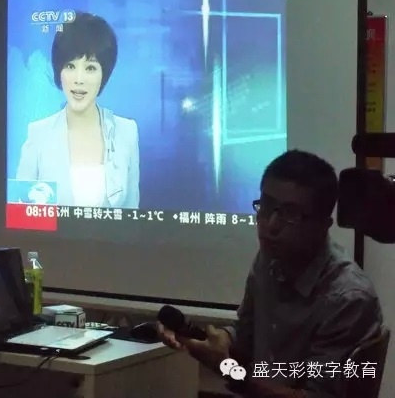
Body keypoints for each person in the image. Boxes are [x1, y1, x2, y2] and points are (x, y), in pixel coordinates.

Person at [158, 149, 383, 398]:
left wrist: (228, 370)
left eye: (290, 214)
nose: (271, 225)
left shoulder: (348, 298)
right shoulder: (269, 259)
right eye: (266, 206)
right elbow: (246, 335)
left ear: (322, 225)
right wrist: (218, 340)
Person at [16, 12, 140, 209]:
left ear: (104, 73)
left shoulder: (127, 132)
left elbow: (132, 216)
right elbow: (22, 217)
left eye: (90, 68)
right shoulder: (38, 135)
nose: (79, 79)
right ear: (59, 70)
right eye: (70, 66)